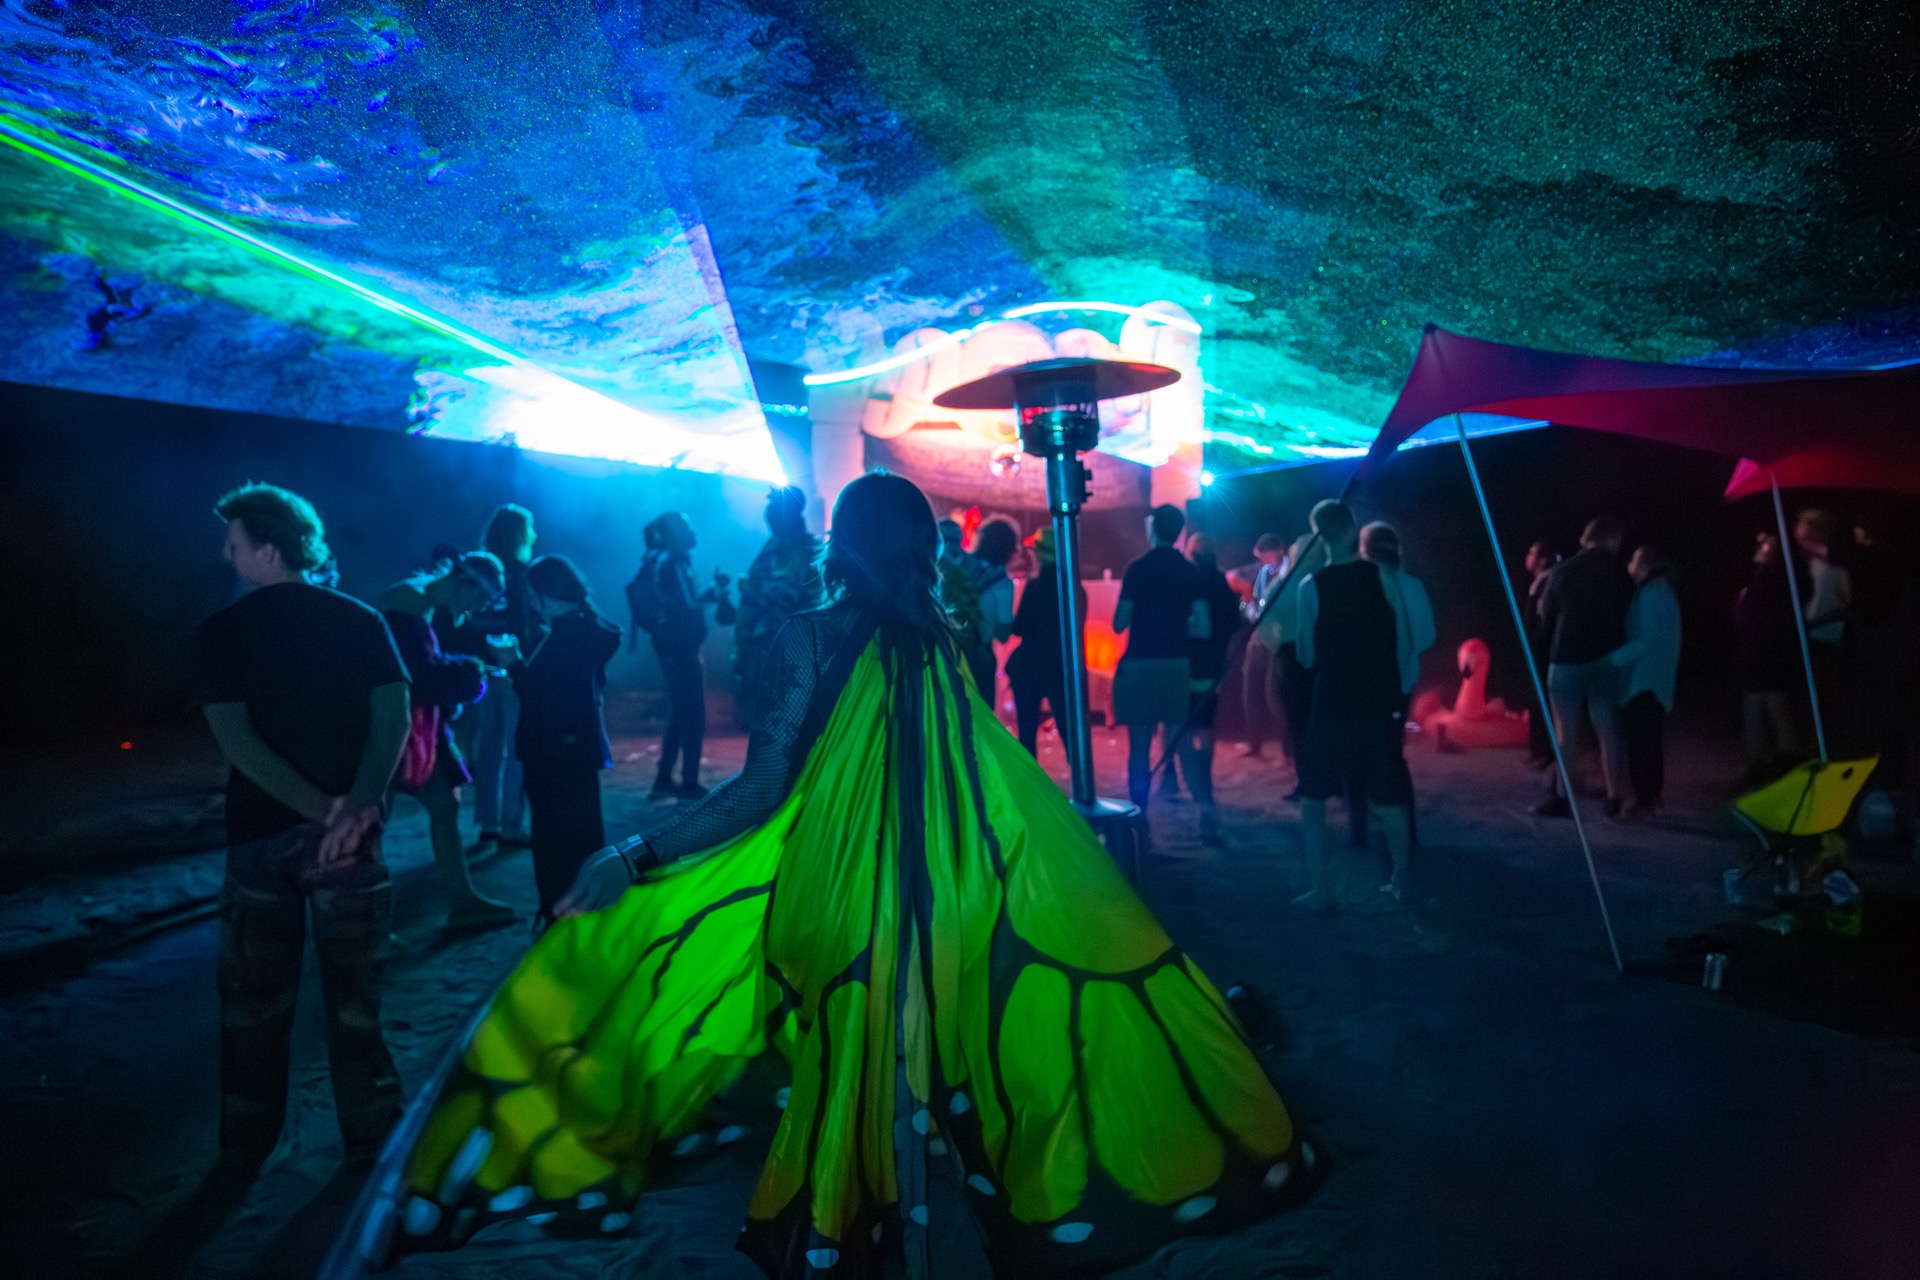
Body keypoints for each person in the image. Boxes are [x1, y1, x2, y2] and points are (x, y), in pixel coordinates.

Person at [388, 473, 1313, 1277]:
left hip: (844, 903)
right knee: (931, 1063)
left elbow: (760, 790)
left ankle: (853, 1235)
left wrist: (632, 855)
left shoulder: (813, 635)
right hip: (946, 896)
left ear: (843, 541)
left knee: (845, 1063)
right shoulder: (948, 636)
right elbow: (975, 775)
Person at [187, 484, 409, 1182]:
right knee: (356, 1000)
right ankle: (373, 1143)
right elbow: (394, 714)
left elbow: (239, 744)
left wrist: (317, 808)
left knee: (254, 1004)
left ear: (267, 548)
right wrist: (357, 805)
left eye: (233, 545)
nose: (227, 558)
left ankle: (245, 1151)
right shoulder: (360, 619)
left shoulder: (222, 632)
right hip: (352, 840)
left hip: (260, 838)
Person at [377, 553, 520, 931]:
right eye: (477, 600)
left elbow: (420, 666)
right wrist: (471, 672)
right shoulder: (407, 603)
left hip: (416, 727)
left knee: (443, 806)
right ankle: (370, 922)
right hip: (395, 729)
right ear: (465, 583)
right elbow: (414, 674)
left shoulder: (417, 601)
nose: (473, 610)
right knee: (371, 824)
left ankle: (462, 900)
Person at [1291, 501, 1415, 907]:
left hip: (1333, 701)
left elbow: (1307, 657)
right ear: (1352, 530)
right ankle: (1399, 883)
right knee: (1389, 797)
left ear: (1318, 534)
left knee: (1313, 799)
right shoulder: (1382, 575)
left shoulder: (1311, 587)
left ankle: (1320, 890)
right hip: (1377, 699)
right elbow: (1403, 639)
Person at [490, 555, 621, 922]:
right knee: (582, 836)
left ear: (542, 594)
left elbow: (543, 695)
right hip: (575, 751)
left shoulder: (567, 635)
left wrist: (513, 662)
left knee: (553, 842)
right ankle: (585, 913)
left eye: (531, 594)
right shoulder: (586, 626)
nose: (529, 602)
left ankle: (559, 916)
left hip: (553, 753)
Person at [1533, 516, 1635, 819]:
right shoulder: (1620, 574)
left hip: (1566, 659)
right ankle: (1615, 797)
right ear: (1612, 540)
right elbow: (1629, 615)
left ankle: (1564, 798)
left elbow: (1546, 618)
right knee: (1608, 728)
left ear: (1585, 539)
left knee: (1567, 733)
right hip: (1605, 659)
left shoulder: (1562, 572)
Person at [629, 512, 734, 799]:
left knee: (680, 709)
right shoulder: (673, 562)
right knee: (694, 713)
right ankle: (688, 783)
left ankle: (665, 778)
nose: (692, 531)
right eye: (686, 527)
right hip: (680, 647)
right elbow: (688, 604)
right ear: (675, 534)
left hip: (672, 645)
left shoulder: (670, 561)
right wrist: (715, 592)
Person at [1113, 504, 1209, 815]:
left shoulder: (1136, 569)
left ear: (1153, 527)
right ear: (1180, 530)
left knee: (1139, 749)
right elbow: (1203, 625)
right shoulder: (1189, 571)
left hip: (1140, 663)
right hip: (1176, 664)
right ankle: (1206, 817)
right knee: (1181, 743)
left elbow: (1119, 622)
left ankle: (1138, 819)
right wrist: (1178, 623)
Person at [468, 504, 539, 849]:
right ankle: (512, 825)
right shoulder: (525, 573)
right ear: (521, 534)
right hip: (514, 669)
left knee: (488, 750)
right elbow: (529, 623)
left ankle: (488, 825)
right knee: (517, 750)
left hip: (482, 671)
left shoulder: (478, 568)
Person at [1360, 522, 1436, 842]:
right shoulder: (1412, 585)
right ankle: (1400, 830)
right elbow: (1427, 637)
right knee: (1391, 754)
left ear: (1364, 550)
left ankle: (1376, 831)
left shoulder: (1362, 587)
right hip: (1401, 685)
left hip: (1368, 686)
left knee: (1374, 757)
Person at [732, 486, 821, 726]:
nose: (768, 514)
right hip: (765, 641)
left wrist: (752, 587)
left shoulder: (802, 550)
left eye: (773, 509)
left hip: (785, 642)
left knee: (779, 718)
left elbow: (789, 594)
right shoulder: (776, 545)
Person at [1256, 517, 1334, 790]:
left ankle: (1308, 781)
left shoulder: (1285, 584)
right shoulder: (1330, 581)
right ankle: (1331, 779)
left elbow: (1264, 622)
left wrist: (1275, 647)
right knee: (1325, 720)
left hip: (1292, 658)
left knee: (1298, 720)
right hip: (1328, 658)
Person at [1614, 544, 1682, 817]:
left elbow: (1645, 641)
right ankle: (1649, 797)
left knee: (1642, 743)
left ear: (1644, 565)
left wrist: (1612, 659)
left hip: (1645, 681)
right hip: (1654, 679)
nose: (1629, 565)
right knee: (1648, 741)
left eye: (1633, 560)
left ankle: (1646, 798)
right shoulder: (1660, 592)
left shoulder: (1652, 595)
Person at [1004, 526, 1083, 756]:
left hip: (1029, 666)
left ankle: (1029, 789)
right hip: (1061, 666)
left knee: (1027, 733)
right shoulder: (1074, 587)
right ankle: (1081, 788)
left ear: (1040, 551)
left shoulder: (1035, 586)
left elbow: (1020, 627)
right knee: (1070, 734)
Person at [1185, 534, 1242, 841]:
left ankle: (1198, 795)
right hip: (1213, 665)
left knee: (1179, 727)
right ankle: (1203, 787)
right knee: (1205, 727)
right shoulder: (1221, 584)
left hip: (1186, 662)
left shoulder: (1189, 581)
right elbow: (1234, 623)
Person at [1734, 533, 1802, 776]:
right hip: (1763, 649)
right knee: (1768, 700)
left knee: (1765, 701)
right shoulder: (1766, 577)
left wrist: (1744, 602)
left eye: (1765, 545)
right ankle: (1772, 757)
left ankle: (1767, 760)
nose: (1759, 547)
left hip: (1763, 650)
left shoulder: (1772, 579)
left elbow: (1755, 614)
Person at [1231, 533, 1289, 760]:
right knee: (1252, 692)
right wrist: (1246, 594)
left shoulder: (1290, 570)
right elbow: (1232, 575)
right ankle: (1255, 745)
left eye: (1265, 555)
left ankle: (1289, 748)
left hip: (1280, 639)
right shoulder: (1260, 570)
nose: (1263, 560)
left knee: (1276, 696)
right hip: (1259, 638)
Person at [965, 517, 1019, 701]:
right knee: (980, 718)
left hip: (948, 650)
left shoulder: (959, 566)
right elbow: (1003, 634)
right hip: (980, 656)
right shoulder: (1003, 583)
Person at [1523, 539, 1561, 769]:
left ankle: (1547, 754)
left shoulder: (1549, 582)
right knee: (1536, 701)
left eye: (1532, 553)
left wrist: (1537, 643)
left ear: (1543, 559)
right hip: (1538, 650)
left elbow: (1545, 622)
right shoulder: (1539, 583)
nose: (1527, 557)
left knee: (1545, 702)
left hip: (1546, 652)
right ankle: (1538, 751)